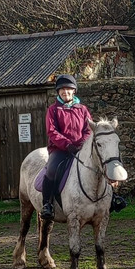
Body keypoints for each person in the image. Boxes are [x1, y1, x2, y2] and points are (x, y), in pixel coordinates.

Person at [41, 74, 92, 220]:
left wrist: (81, 143)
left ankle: (112, 198)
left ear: (74, 91)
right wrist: (67, 144)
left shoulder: (82, 109)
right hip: (60, 149)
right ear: (58, 92)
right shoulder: (53, 110)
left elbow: (89, 129)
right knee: (50, 170)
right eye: (62, 90)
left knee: (100, 163)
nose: (65, 92)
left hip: (81, 148)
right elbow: (52, 131)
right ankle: (47, 204)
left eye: (68, 89)